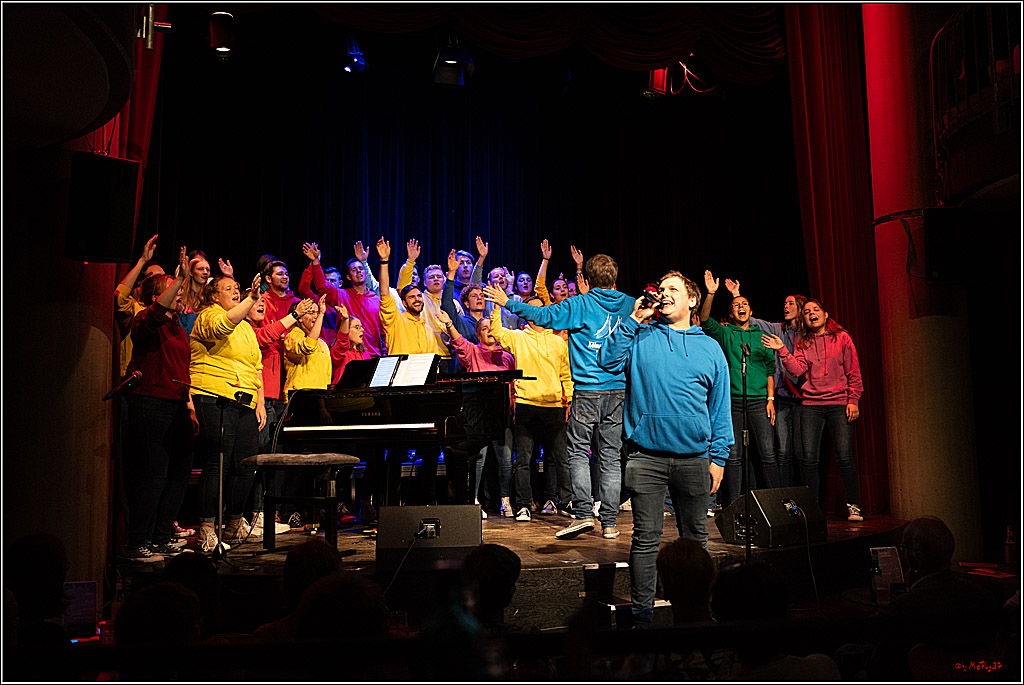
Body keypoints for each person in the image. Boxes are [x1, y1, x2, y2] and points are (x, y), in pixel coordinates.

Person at [596, 270, 731, 627]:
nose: (664, 293)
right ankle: (642, 618)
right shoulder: (640, 336)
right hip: (647, 458)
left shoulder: (710, 348)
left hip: (695, 459)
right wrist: (632, 320)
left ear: (691, 300)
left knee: (696, 541)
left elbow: (720, 408)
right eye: (661, 288)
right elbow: (606, 361)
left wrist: (718, 458)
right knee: (645, 540)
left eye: (673, 289)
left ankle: (696, 613)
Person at [491, 252, 635, 540]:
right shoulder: (630, 305)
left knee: (579, 453)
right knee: (610, 457)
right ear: (615, 279)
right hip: (618, 390)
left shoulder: (579, 304)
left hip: (587, 390)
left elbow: (542, 315)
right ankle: (609, 523)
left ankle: (583, 514)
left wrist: (507, 302)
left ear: (588, 280)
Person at [122, 247, 199, 562]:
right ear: (159, 296)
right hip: (151, 403)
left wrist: (190, 406)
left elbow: (183, 371)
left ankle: (161, 536)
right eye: (175, 291)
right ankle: (137, 542)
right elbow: (154, 314)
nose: (181, 295)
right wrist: (179, 277)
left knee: (179, 473)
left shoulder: (178, 327)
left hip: (177, 403)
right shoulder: (145, 319)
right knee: (153, 474)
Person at [762, 298, 864, 521]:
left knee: (844, 457)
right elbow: (797, 370)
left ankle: (853, 506)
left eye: (815, 310)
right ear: (804, 319)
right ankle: (813, 508)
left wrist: (853, 399)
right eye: (806, 312)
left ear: (826, 315)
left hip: (839, 403)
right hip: (812, 405)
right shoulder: (803, 343)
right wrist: (782, 351)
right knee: (808, 459)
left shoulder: (842, 338)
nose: (811, 314)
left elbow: (854, 372)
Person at [190, 272, 266, 552]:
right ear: (213, 295)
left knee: (246, 464)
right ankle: (207, 527)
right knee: (217, 463)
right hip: (215, 397)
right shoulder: (209, 315)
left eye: (237, 288)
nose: (236, 292)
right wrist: (250, 299)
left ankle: (234, 523)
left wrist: (259, 402)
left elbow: (256, 366)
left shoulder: (245, 327)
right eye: (229, 289)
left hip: (244, 401)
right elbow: (223, 326)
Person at [485, 288, 574, 519]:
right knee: (523, 460)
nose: (537, 311)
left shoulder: (558, 341)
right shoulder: (518, 337)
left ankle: (563, 502)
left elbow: (566, 375)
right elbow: (495, 331)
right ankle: (523, 504)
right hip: (526, 404)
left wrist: (569, 401)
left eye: (541, 308)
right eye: (532, 308)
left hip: (554, 405)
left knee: (560, 459)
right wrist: (497, 305)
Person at [699, 270, 779, 507]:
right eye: (736, 305)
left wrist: (771, 399)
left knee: (768, 453)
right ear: (731, 313)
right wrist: (711, 294)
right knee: (733, 455)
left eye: (744, 304)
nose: (741, 307)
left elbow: (769, 369)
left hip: (758, 401)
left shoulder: (761, 335)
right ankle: (734, 504)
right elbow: (704, 320)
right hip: (732, 401)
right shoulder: (727, 333)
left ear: (751, 311)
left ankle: (775, 503)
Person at [376, 237, 443, 505]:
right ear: (403, 301)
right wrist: (384, 262)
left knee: (430, 447)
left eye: (419, 296)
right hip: (400, 393)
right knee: (396, 449)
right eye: (411, 296)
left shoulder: (428, 326)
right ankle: (390, 506)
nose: (417, 299)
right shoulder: (395, 320)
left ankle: (424, 501)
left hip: (425, 392)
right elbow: (384, 292)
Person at [436, 308, 515, 514]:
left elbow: (513, 386)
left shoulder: (506, 357)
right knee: (478, 459)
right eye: (484, 329)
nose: (489, 331)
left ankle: (505, 500)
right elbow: (459, 343)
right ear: (478, 334)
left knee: (505, 459)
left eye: (492, 328)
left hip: (501, 412)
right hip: (479, 415)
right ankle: (475, 501)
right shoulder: (473, 352)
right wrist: (449, 325)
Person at [301, 243, 383, 357]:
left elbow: (383, 332)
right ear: (348, 277)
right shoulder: (341, 295)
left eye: (361, 268)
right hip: (349, 355)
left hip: (374, 355)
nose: (358, 271)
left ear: (366, 272)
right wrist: (315, 262)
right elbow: (322, 287)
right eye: (354, 270)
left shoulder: (376, 300)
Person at [114, 234, 163, 379]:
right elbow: (119, 296)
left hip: (156, 378)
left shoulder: (170, 312)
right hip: (134, 377)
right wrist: (142, 261)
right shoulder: (135, 308)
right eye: (154, 277)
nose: (160, 281)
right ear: (142, 283)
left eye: (163, 277)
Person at [329, 302, 368, 386]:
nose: (362, 330)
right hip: (341, 396)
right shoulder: (340, 353)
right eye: (357, 327)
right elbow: (342, 342)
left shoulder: (365, 354)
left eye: (361, 327)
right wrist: (345, 320)